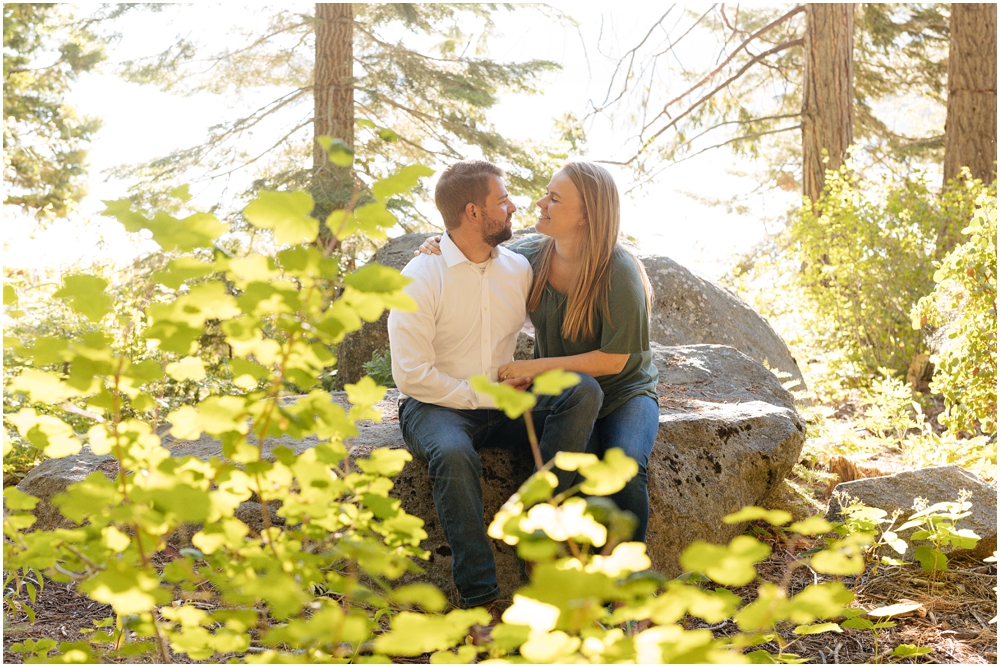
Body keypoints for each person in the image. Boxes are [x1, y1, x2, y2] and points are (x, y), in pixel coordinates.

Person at [387, 160, 603, 611]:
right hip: (435, 405)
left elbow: (572, 252)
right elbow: (411, 375)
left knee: (581, 392)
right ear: (472, 212)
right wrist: (485, 395)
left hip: (506, 403)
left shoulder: (519, 267)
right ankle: (480, 597)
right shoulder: (420, 277)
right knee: (450, 453)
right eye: (502, 201)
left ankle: (536, 531)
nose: (513, 207)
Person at [416, 161, 659, 543]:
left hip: (624, 394)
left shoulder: (619, 270)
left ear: (586, 215)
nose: (540, 202)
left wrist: (538, 365)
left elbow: (615, 361)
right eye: (547, 192)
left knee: (626, 466)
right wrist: (437, 242)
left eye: (554, 198)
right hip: (571, 395)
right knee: (578, 471)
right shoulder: (530, 255)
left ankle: (628, 587)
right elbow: (474, 245)